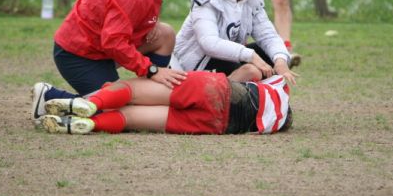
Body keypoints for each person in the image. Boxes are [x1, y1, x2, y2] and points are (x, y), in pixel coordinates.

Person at [31, 0, 206, 123]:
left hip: (100, 47)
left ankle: (153, 93)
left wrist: (148, 22)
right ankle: (49, 96)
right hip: (79, 55)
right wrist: (152, 70)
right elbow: (114, 42)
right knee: (120, 112)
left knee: (165, 34)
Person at [173, 0, 297, 85]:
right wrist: (251, 56)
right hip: (196, 65)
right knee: (251, 71)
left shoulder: (252, 1)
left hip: (228, 58)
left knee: (270, 56)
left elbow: (268, 36)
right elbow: (209, 43)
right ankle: (217, 95)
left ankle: (262, 98)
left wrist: (280, 60)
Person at [39, 71, 292, 135]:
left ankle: (92, 103)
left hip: (221, 89)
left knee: (133, 89)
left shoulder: (280, 87)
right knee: (130, 119)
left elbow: (249, 69)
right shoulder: (275, 123)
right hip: (223, 124)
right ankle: (85, 125)